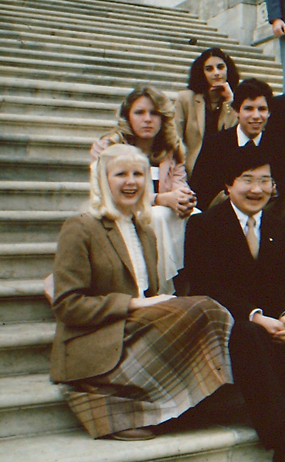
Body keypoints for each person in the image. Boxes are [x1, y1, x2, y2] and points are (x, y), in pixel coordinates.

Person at [51, 144, 232, 442]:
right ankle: (101, 395)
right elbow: (67, 305)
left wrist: (151, 305)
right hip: (96, 336)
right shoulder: (81, 227)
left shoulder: (145, 229)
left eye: (138, 174)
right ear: (103, 179)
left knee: (210, 312)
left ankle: (162, 404)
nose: (131, 182)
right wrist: (135, 304)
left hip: (134, 329)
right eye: (120, 174)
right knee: (205, 309)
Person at [185, 147, 285, 462]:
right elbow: (205, 284)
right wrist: (256, 316)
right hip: (229, 325)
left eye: (265, 181)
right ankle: (284, 445)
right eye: (247, 180)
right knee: (248, 333)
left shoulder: (278, 224)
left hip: (274, 325)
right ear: (228, 185)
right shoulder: (204, 225)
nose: (256, 189)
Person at [92, 86, 196, 294]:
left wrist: (184, 198)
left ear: (163, 118)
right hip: (122, 213)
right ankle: (160, 290)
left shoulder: (171, 148)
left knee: (197, 217)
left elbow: (179, 183)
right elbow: (110, 193)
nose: (147, 119)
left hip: (162, 214)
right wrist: (160, 198)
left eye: (154, 113)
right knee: (157, 215)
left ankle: (194, 282)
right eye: (139, 112)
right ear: (128, 116)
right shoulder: (110, 147)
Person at [191, 79, 285, 229]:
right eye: (249, 109)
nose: (256, 116)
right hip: (227, 209)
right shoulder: (215, 143)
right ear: (237, 111)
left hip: (267, 207)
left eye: (262, 109)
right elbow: (200, 186)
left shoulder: (279, 143)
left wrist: (274, 187)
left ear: (269, 112)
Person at [174, 47, 240, 177]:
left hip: (224, 171)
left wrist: (229, 101)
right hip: (193, 170)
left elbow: (232, 136)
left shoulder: (235, 100)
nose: (216, 73)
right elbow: (175, 139)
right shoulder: (186, 99)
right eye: (209, 69)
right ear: (201, 72)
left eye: (220, 67)